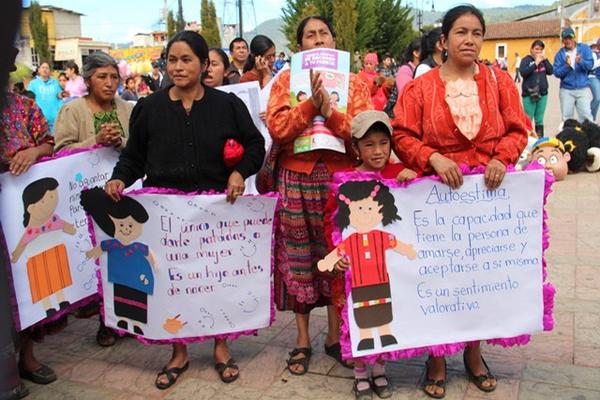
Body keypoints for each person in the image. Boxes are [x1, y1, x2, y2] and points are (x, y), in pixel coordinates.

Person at [105, 30, 265, 389]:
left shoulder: (227, 106)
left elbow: (256, 145)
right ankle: (178, 352)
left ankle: (221, 347)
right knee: (172, 283)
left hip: (216, 214)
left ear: (205, 64)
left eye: (186, 60)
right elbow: (134, 157)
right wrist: (119, 179)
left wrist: (239, 172)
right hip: (166, 217)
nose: (177, 67)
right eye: (171, 60)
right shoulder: (149, 108)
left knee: (216, 279)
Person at [392, 5, 529, 398]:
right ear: (444, 41)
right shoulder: (420, 88)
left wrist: (501, 157)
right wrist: (432, 157)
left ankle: (473, 354)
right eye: (461, 33)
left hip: (485, 198)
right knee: (439, 277)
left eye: (476, 33)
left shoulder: (500, 83)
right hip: (438, 199)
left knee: (478, 277)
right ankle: (436, 357)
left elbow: (519, 129)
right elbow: (402, 135)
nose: (469, 40)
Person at [266, 15, 372, 376]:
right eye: (310, 36)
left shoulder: (355, 84)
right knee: (298, 256)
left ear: (333, 40)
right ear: (300, 47)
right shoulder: (284, 81)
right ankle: (301, 339)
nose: (318, 39)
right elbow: (278, 129)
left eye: (323, 33)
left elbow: (361, 132)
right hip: (296, 177)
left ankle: (333, 336)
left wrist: (331, 111)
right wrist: (310, 105)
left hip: (340, 178)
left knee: (337, 256)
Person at [322, 111, 417, 399]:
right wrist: (334, 252)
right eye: (369, 145)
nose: (377, 151)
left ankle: (380, 367)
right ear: (356, 147)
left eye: (383, 143)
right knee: (357, 316)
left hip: (386, 269)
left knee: (382, 312)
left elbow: (416, 207)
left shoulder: (396, 175)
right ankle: (361, 371)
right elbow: (331, 220)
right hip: (354, 268)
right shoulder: (344, 182)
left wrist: (411, 179)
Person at [1, 47, 57, 395]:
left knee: (26, 278)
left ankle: (28, 356)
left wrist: (31, 152)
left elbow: (48, 143)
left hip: (22, 213)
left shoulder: (25, 106)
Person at [54, 51, 132, 151]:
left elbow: (141, 145)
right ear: (87, 81)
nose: (109, 83)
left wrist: (120, 141)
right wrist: (95, 141)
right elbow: (62, 151)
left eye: (114, 77)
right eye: (102, 77)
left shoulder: (128, 109)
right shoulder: (71, 111)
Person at [553, 27, 594, 123]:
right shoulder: (560, 54)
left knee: (586, 116)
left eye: (570, 38)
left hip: (582, 88)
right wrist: (566, 66)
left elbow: (590, 65)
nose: (568, 41)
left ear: (574, 38)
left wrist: (581, 62)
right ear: (563, 40)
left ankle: (589, 137)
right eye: (565, 39)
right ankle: (570, 137)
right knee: (567, 119)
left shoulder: (584, 49)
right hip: (566, 90)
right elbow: (557, 73)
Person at [520, 40, 554, 138]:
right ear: (531, 49)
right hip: (529, 94)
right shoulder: (526, 60)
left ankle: (539, 140)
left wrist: (545, 59)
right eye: (536, 49)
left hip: (542, 93)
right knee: (528, 119)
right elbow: (523, 72)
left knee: (539, 119)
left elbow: (551, 71)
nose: (538, 51)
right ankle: (527, 141)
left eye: (541, 49)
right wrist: (535, 63)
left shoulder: (543, 61)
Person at [27, 62, 62, 132]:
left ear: (50, 71)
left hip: (55, 121)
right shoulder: (33, 84)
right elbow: (30, 100)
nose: (45, 69)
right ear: (39, 70)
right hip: (39, 121)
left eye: (47, 68)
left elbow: (60, 98)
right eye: (43, 67)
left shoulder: (55, 83)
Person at [588, 43, 600, 120]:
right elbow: (591, 66)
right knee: (597, 98)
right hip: (593, 76)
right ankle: (591, 118)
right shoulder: (594, 54)